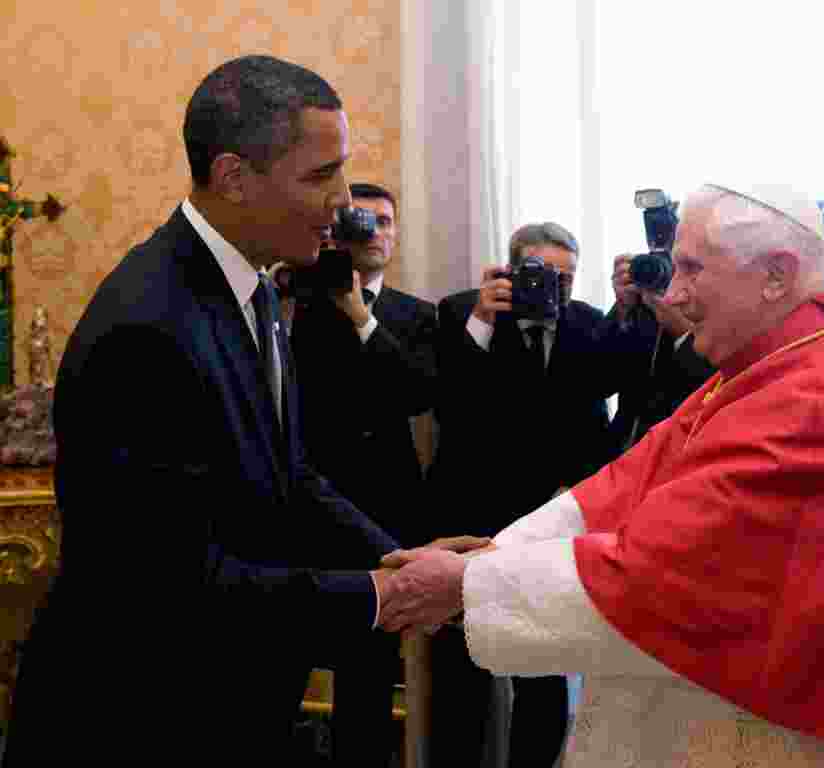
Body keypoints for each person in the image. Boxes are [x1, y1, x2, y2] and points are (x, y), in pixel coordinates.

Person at [378, 183, 824, 767]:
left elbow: (670, 571)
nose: (675, 292)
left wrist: (470, 584)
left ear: (776, 275)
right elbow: (635, 475)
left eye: (692, 267)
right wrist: (499, 552)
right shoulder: (784, 359)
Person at [4, 55, 484, 766]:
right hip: (138, 724)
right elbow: (174, 589)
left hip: (228, 710)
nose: (344, 202)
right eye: (321, 176)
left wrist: (394, 554)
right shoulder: (148, 327)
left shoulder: (254, 290)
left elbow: (289, 473)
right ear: (233, 177)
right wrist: (381, 595)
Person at [428, 222, 618, 768]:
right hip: (472, 515)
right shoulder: (463, 312)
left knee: (544, 671)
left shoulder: (589, 323)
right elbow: (449, 397)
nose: (553, 289)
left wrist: (635, 306)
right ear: (511, 271)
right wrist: (484, 320)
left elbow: (610, 405)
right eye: (542, 274)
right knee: (461, 674)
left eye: (567, 278)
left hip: (551, 526)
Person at [290, 182, 437, 548]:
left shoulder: (417, 313)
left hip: (391, 487)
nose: (374, 232)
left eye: (384, 222)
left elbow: (418, 394)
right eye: (362, 221)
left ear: (396, 233)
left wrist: (360, 316)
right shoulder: (298, 301)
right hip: (313, 483)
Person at [605, 253, 715, 454]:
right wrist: (623, 309)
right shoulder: (641, 308)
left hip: (678, 456)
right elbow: (598, 382)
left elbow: (706, 395)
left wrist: (684, 333)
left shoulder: (722, 318)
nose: (676, 283)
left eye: (689, 269)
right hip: (621, 454)